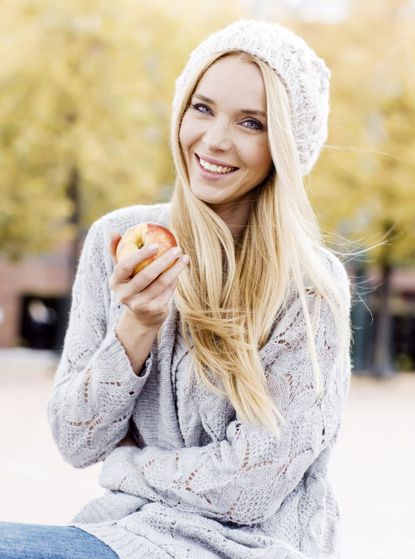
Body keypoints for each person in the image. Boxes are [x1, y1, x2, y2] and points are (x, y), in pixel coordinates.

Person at [0, 19, 352, 559]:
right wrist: (136, 325)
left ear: (284, 144)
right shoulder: (117, 241)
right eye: (202, 108)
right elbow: (75, 441)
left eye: (251, 123)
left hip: (245, 548)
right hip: (120, 530)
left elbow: (249, 487)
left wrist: (126, 465)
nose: (213, 140)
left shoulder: (308, 286)